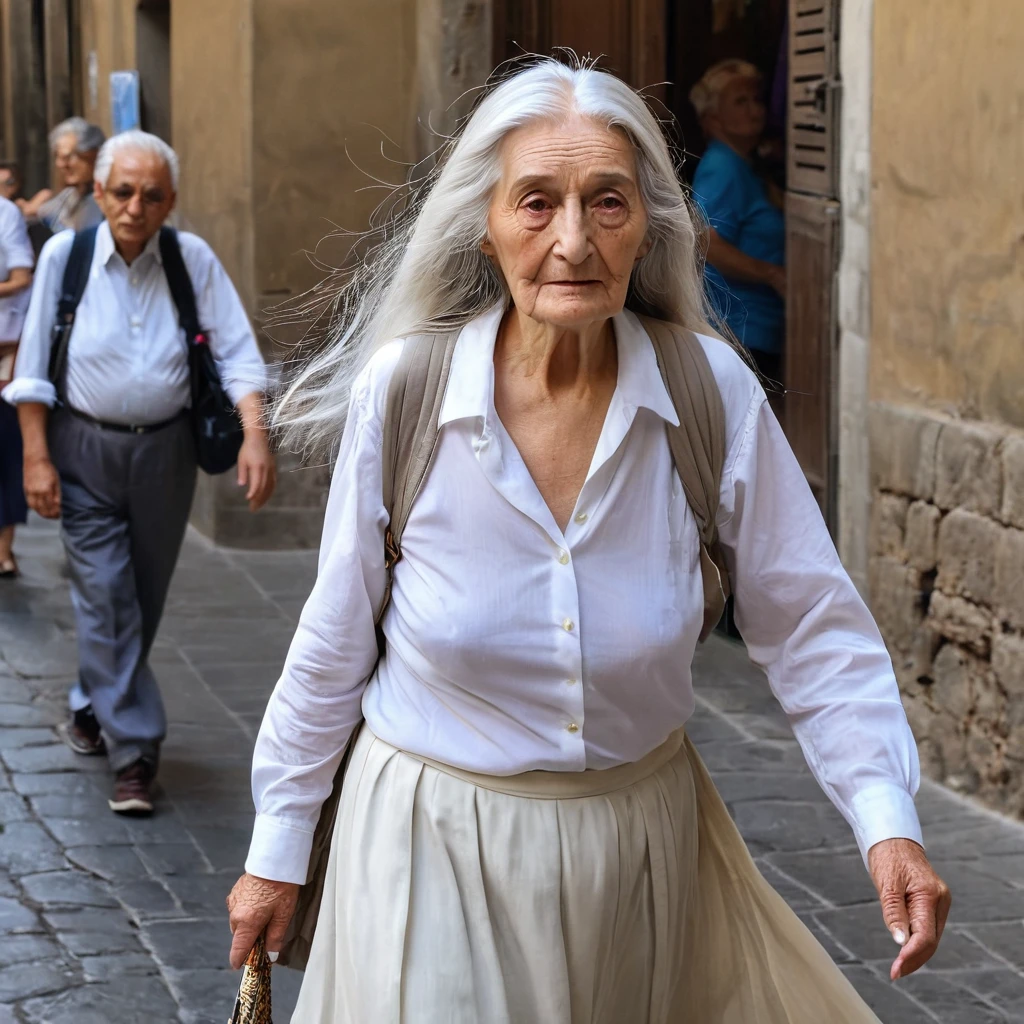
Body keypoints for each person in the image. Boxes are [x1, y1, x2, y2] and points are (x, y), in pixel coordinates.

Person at [226, 60, 950, 1023]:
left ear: (647, 224)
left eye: (607, 202)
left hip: (646, 858)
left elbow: (811, 618)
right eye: (537, 202)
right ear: (484, 223)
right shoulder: (407, 393)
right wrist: (277, 852)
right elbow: (334, 637)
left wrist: (886, 822)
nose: (573, 241)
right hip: (430, 844)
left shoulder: (709, 396)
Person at [2, 130, 276, 815]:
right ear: (97, 193)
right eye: (121, 191)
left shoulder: (192, 260)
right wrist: (37, 457)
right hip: (83, 450)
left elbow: (239, 351)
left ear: (170, 201)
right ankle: (135, 752)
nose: (134, 206)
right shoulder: (66, 258)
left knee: (143, 594)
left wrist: (255, 436)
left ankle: (92, 704)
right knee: (104, 591)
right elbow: (31, 370)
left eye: (151, 195)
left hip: (167, 454)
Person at [690, 59, 786, 382]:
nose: (754, 110)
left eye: (756, 100)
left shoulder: (744, 166)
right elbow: (707, 243)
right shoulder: (723, 168)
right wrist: (772, 274)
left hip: (758, 332)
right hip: (740, 332)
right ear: (712, 117)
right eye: (740, 102)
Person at [0, 193, 34, 577]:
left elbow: (22, 278)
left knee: (6, 447)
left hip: (4, 347)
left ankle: (3, 548)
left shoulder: (5, 214)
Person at [21, 118, 106, 234]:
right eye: (57, 157)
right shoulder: (71, 195)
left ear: (91, 155)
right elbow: (43, 213)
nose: (60, 164)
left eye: (67, 157)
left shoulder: (107, 197)